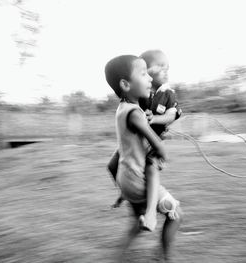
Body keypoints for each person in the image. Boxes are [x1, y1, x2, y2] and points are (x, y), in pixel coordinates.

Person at [105, 55, 181, 262]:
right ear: (125, 84)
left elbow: (112, 161)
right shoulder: (136, 114)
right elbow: (156, 144)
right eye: (143, 73)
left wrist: (122, 192)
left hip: (125, 179)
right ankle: (164, 256)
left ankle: (117, 257)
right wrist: (162, 154)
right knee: (175, 214)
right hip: (139, 182)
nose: (148, 78)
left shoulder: (122, 110)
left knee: (134, 228)